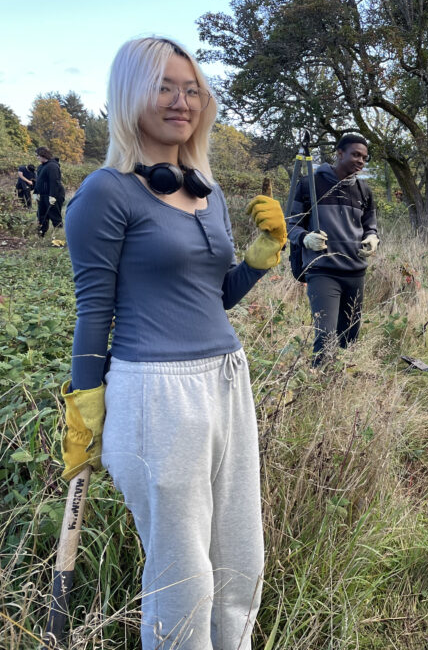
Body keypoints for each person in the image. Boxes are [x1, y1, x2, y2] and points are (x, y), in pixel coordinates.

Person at [63, 36, 286, 650]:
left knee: (240, 552)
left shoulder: (206, 191)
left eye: (191, 89)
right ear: (131, 93)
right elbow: (94, 311)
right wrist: (85, 403)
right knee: (182, 570)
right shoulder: (104, 194)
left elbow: (209, 299)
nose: (180, 100)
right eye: (164, 86)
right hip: (156, 395)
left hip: (226, 378)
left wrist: (259, 262)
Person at [287, 132, 379, 365]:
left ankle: (341, 392)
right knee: (326, 337)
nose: (360, 161)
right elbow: (290, 225)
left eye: (364, 157)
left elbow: (370, 225)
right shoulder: (310, 184)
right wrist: (306, 238)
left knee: (349, 339)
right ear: (340, 153)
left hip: (355, 271)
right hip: (322, 270)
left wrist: (372, 238)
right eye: (355, 155)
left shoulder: (364, 190)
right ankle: (320, 390)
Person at [34, 147, 65, 236]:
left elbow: (54, 181)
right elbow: (38, 180)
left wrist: (53, 196)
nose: (37, 157)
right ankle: (41, 233)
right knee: (41, 215)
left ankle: (59, 235)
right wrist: (36, 192)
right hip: (43, 195)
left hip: (54, 194)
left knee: (55, 215)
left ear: (43, 155)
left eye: (38, 155)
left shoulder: (52, 166)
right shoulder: (41, 167)